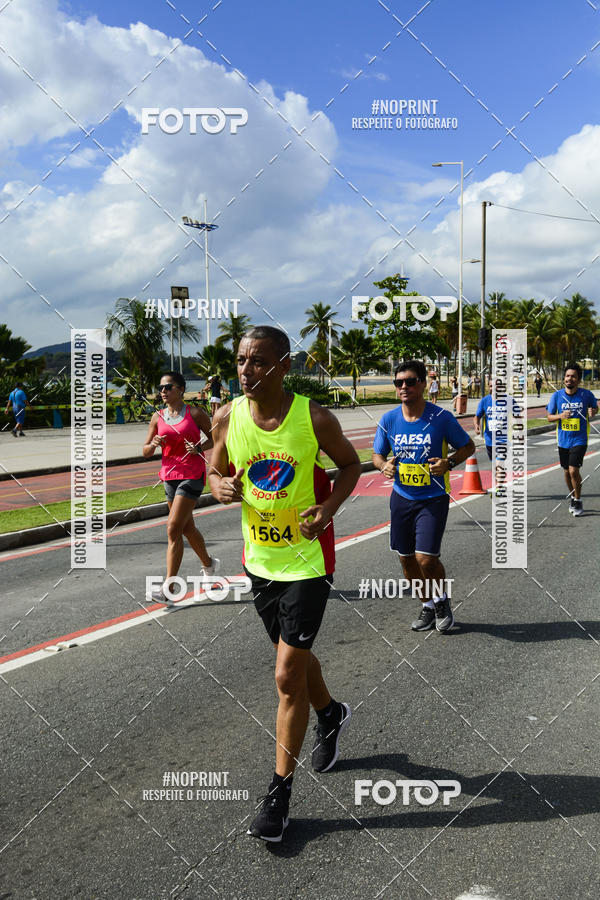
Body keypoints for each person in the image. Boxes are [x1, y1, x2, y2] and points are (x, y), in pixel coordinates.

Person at [208, 325, 360, 843]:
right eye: (242, 361)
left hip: (307, 562)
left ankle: (278, 795)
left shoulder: (312, 417)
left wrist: (329, 507)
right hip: (259, 560)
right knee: (292, 659)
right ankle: (331, 712)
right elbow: (214, 468)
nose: (248, 372)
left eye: (260, 362)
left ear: (284, 366)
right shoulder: (228, 414)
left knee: (283, 675)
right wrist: (219, 484)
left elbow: (350, 465)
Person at [373, 360, 475, 634]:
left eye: (409, 381)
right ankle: (428, 605)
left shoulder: (440, 418)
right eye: (398, 382)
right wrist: (384, 466)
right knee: (406, 558)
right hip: (402, 498)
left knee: (425, 559)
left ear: (422, 384)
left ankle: (442, 602)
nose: (403, 386)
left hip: (433, 497)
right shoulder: (389, 419)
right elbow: (376, 454)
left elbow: (468, 446)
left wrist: (449, 463)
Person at [143, 371, 218, 604]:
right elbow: (145, 451)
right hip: (169, 476)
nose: (163, 392)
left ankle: (170, 587)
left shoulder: (195, 413)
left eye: (168, 387)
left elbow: (216, 437)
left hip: (192, 474)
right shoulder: (158, 417)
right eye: (161, 388)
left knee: (173, 528)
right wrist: (154, 444)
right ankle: (209, 564)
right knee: (186, 528)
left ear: (181, 389)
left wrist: (199, 447)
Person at [546, 362, 598, 516]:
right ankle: (574, 497)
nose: (570, 379)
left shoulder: (586, 395)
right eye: (567, 376)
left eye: (573, 376)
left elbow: (595, 408)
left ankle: (578, 499)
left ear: (578, 380)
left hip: (580, 439)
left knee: (574, 470)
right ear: (564, 379)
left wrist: (593, 411)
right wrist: (560, 416)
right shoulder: (557, 395)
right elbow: (549, 417)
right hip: (563, 440)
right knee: (566, 472)